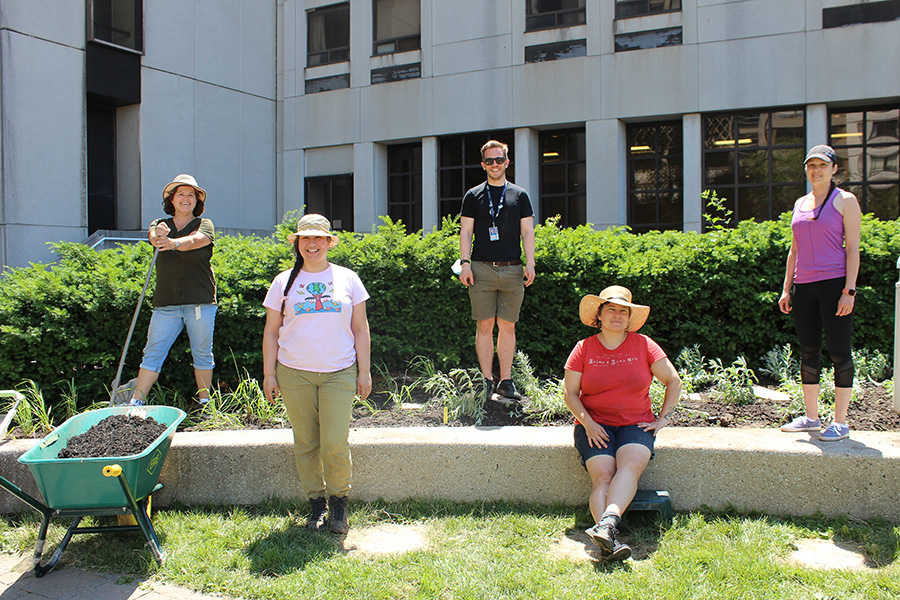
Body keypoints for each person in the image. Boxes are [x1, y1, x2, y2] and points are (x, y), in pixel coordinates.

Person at [262, 214, 371, 534]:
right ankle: (316, 503)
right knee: (306, 442)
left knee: (334, 442)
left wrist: (364, 371)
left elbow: (361, 328)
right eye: (306, 238)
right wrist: (269, 374)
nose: (312, 243)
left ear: (328, 243)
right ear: (298, 243)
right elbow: (271, 331)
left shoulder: (348, 278)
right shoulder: (283, 282)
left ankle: (339, 503)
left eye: (318, 238)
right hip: (294, 373)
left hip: (339, 372)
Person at [564, 285, 681, 561]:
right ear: (599, 315)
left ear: (629, 318)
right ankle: (609, 539)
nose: (617, 315)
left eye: (623, 311)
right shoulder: (583, 348)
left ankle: (606, 528)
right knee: (603, 476)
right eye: (611, 309)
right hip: (594, 426)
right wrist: (589, 424)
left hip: (636, 424)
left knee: (629, 467)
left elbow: (673, 381)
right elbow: (570, 393)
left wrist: (663, 419)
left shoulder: (644, 345)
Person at [778, 145, 861, 442]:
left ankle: (840, 423)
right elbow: (794, 249)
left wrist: (849, 290)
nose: (817, 170)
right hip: (804, 287)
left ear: (834, 169)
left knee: (839, 352)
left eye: (823, 165)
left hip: (834, 284)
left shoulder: (845, 200)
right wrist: (787, 288)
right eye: (811, 165)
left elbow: (853, 249)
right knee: (809, 351)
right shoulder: (800, 203)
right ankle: (812, 418)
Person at [458, 140, 536, 404]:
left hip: (513, 269)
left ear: (507, 162)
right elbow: (466, 232)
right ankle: (486, 381)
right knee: (484, 325)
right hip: (481, 269)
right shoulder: (473, 196)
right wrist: (465, 263)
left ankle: (505, 381)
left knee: (508, 327)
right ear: (483, 165)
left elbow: (527, 232)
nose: (495, 164)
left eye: (499, 160)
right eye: (489, 161)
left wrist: (530, 263)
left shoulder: (520, 195)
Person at [130, 174, 217, 406]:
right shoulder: (159, 224)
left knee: (202, 353)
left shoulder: (204, 224)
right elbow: (153, 238)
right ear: (171, 199)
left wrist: (174, 243)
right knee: (152, 353)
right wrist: (158, 236)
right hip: (165, 303)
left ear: (197, 201)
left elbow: (197, 241)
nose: (186, 199)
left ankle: (205, 403)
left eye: (191, 195)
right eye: (181, 194)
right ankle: (136, 403)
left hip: (200, 302)